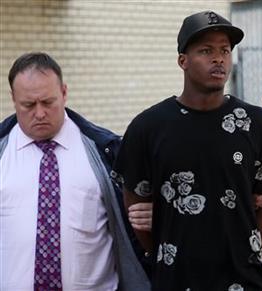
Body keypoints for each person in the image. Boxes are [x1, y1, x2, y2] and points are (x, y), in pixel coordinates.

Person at [112, 10, 262, 291]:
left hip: (243, 278)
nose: (218, 59)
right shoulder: (148, 126)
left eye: (225, 51)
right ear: (183, 61)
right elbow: (134, 200)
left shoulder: (256, 123)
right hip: (175, 278)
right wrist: (162, 251)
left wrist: (245, 240)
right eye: (206, 51)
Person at [0, 52, 150, 290]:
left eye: (48, 102)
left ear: (64, 93)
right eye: (28, 105)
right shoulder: (3, 153)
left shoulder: (107, 152)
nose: (39, 113)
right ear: (13, 99)